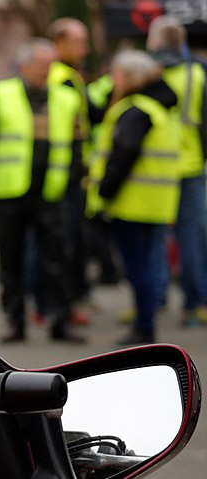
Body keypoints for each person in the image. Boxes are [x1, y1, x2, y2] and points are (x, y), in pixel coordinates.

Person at [0, 38, 83, 343]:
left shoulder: (66, 98)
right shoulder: (0, 95)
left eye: (51, 65)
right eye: (42, 65)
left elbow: (76, 145)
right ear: (25, 66)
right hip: (10, 192)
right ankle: (16, 322)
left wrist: (73, 180)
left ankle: (60, 320)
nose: (48, 71)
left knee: (58, 259)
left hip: (51, 191)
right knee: (12, 260)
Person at [87, 50, 180, 345]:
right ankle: (146, 324)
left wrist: (105, 192)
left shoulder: (134, 110)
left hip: (131, 204)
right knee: (149, 267)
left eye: (116, 74)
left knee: (138, 269)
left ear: (129, 77)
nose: (113, 80)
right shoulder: (155, 109)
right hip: (155, 203)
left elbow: (124, 152)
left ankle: (144, 327)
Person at [147, 16, 207, 326]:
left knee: (153, 237)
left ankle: (152, 300)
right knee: (192, 239)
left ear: (155, 41)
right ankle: (194, 304)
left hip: (151, 168)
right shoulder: (197, 73)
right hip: (190, 165)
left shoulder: (146, 71)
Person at [47, 18, 92, 308]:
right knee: (65, 239)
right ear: (59, 43)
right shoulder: (61, 77)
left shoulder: (67, 74)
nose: (85, 49)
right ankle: (62, 300)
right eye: (79, 42)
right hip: (65, 172)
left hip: (66, 170)